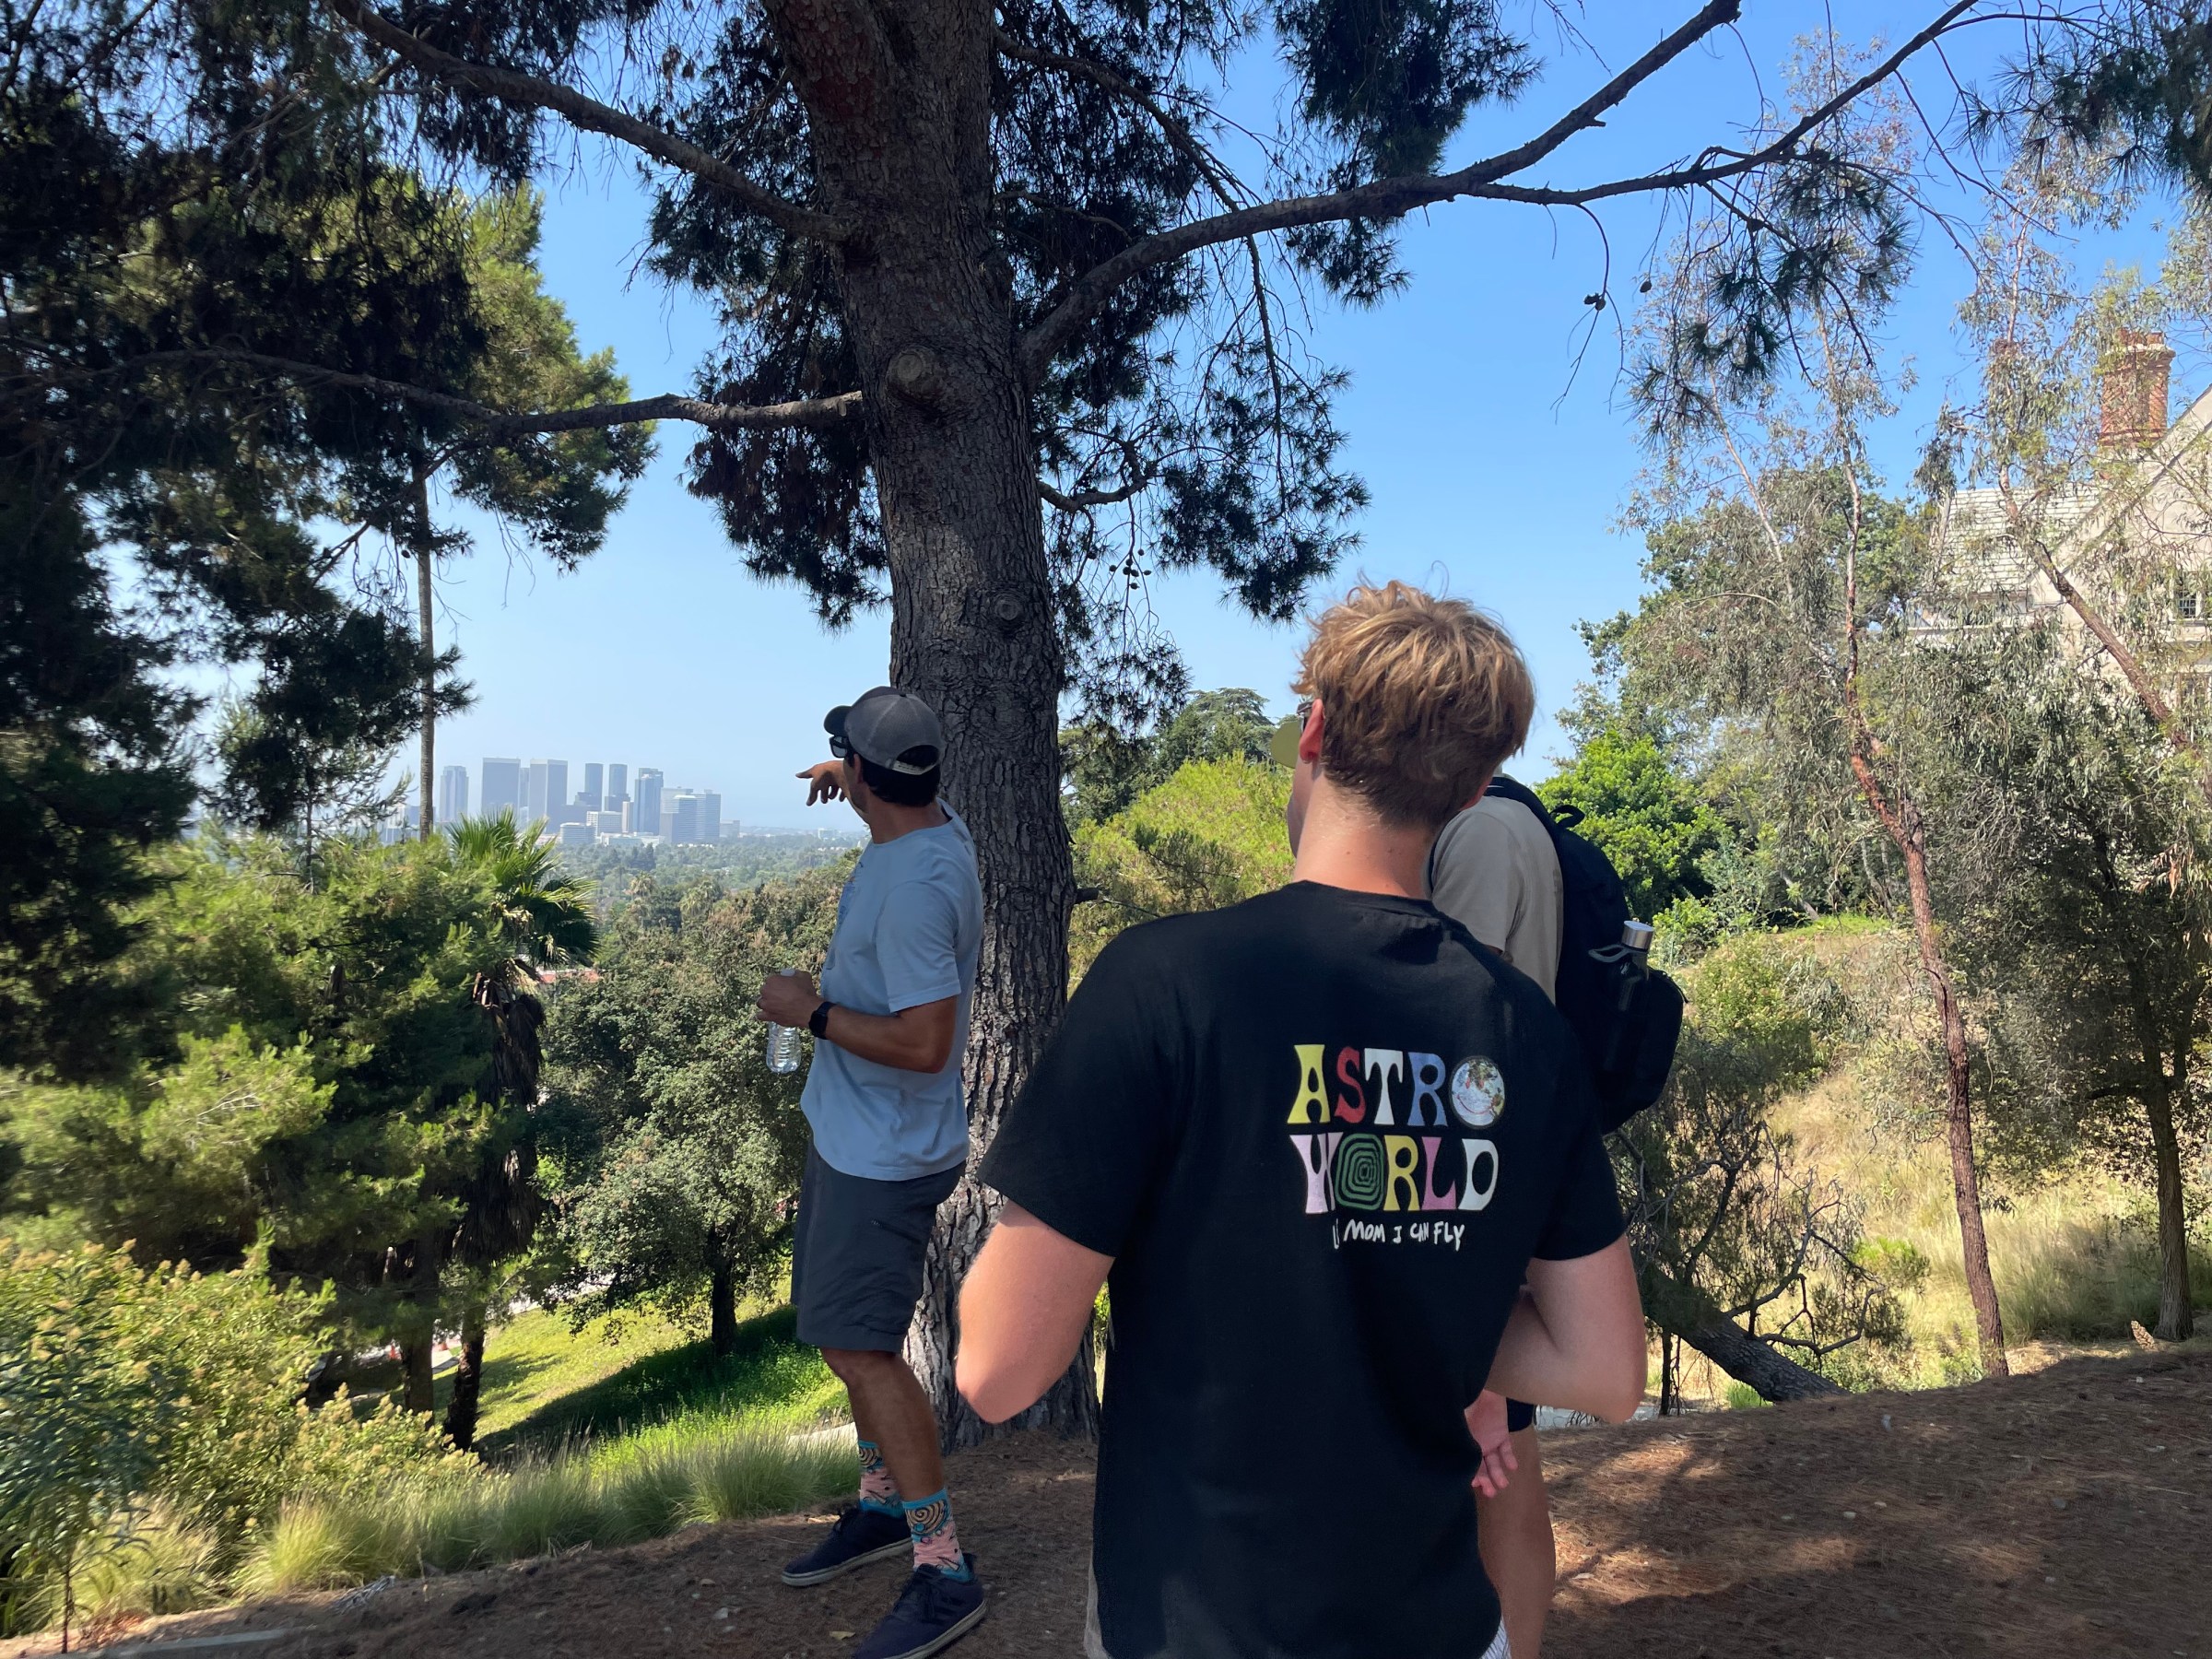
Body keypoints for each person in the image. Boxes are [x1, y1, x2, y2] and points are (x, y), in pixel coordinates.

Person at [954, 582, 1647, 1659]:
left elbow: (995, 1370)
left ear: (1315, 730)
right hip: (1443, 1631)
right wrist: (1430, 1303)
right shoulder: (1528, 1035)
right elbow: (1605, 1371)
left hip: (1196, 1629)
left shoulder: (1163, 984)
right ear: (1468, 792)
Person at [754, 685, 988, 1659]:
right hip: (854, 1134)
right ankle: (881, 1504)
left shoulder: (917, 888)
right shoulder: (932, 827)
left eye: (843, 755)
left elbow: (928, 1042)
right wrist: (846, 778)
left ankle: (944, 1568)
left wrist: (803, 1012)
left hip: (882, 1155)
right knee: (839, 1333)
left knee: (860, 1351)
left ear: (869, 777)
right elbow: (898, 794)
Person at [1430, 786, 1568, 1659]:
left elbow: (1455, 1020)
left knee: (1501, 1464)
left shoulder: (1477, 833)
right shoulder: (1511, 820)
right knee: (1504, 1459)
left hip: (1476, 1191)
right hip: (1504, 1178)